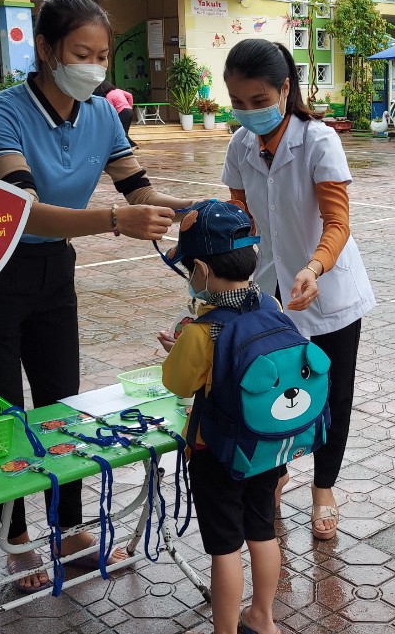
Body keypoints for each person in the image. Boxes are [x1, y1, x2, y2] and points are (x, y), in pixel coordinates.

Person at [0, 0, 198, 593]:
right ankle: (12, 535)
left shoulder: (100, 115)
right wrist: (114, 222)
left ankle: (66, 526)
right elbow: (22, 211)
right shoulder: (2, 112)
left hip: (53, 277)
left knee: (61, 404)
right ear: (45, 49)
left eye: (101, 56)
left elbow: (136, 189)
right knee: (3, 415)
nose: (93, 67)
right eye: (80, 53)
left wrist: (191, 209)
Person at [219, 38, 375, 540]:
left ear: (286, 89)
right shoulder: (240, 144)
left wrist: (314, 267)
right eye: (238, 103)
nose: (249, 113)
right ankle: (279, 469)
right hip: (270, 295)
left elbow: (338, 221)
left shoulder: (319, 140)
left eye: (260, 101)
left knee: (332, 393)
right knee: (273, 388)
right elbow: (240, 216)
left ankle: (323, 486)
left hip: (327, 289)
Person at [159, 200, 285, 634]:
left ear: (199, 270)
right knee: (262, 532)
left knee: (226, 548)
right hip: (267, 446)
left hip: (220, 454)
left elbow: (177, 383)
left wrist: (176, 349)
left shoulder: (201, 331)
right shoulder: (271, 305)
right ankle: (263, 619)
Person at [95, 80, 136, 148]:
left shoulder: (108, 96)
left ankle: (132, 145)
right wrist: (130, 106)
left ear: (103, 88)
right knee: (124, 130)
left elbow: (110, 109)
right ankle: (125, 145)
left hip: (122, 112)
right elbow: (130, 95)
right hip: (129, 111)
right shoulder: (118, 90)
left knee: (120, 130)